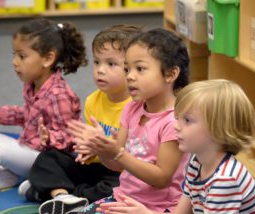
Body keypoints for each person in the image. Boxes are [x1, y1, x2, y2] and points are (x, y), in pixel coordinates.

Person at [18, 25, 142, 214]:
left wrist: (105, 149)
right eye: (97, 62)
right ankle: (61, 196)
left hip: (121, 172)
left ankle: (51, 191)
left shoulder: (137, 106)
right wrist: (85, 149)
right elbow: (86, 143)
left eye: (111, 64)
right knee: (49, 157)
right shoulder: (93, 99)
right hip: (96, 167)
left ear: (132, 69)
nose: (100, 70)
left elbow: (136, 157)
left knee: (119, 190)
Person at [98, 79, 255, 214]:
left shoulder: (224, 180)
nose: (176, 126)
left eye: (187, 120)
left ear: (219, 130)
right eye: (178, 118)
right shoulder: (197, 163)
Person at [76, 28, 191, 214]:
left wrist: (118, 153)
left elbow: (162, 178)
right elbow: (118, 165)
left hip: (157, 208)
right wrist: (102, 150)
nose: (129, 76)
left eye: (140, 69)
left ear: (170, 74)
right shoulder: (132, 108)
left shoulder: (174, 121)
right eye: (127, 69)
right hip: (124, 198)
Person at [0, 18, 87, 192]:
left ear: (48, 58)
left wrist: (49, 137)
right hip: (27, 149)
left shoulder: (59, 94)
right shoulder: (32, 84)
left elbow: (70, 137)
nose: (14, 62)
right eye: (14, 55)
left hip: (45, 161)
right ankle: (6, 175)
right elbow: (25, 115)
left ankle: (9, 171)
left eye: (22, 56)